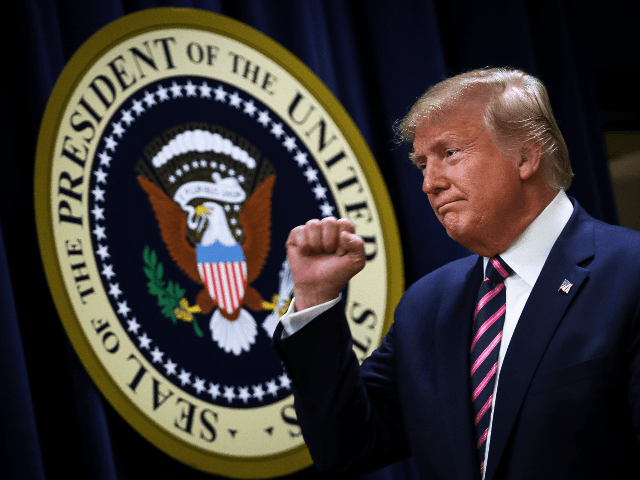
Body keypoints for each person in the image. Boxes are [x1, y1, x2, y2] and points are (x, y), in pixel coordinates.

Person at [273, 67, 640, 479]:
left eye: (449, 153)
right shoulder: (426, 306)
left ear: (526, 155)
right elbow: (347, 447)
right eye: (421, 164)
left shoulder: (630, 272)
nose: (429, 183)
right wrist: (314, 300)